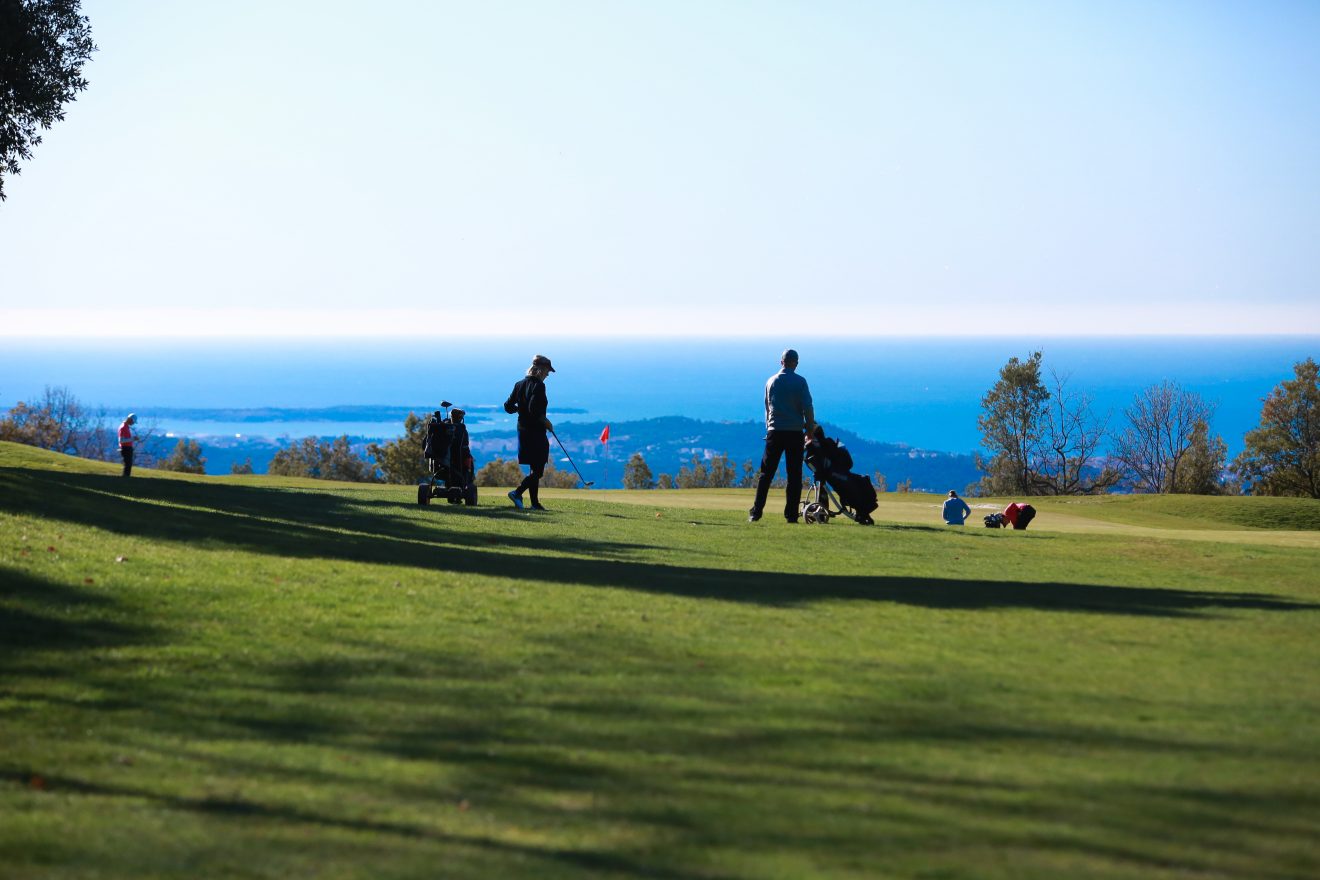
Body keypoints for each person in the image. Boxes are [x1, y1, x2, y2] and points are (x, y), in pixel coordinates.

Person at [749, 349, 816, 523]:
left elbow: (767, 408)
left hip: (775, 432)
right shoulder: (800, 382)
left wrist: (769, 428)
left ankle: (756, 513)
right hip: (795, 433)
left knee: (766, 474)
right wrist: (810, 430)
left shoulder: (771, 381)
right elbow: (808, 407)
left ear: (781, 362)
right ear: (796, 363)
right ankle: (791, 516)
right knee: (794, 475)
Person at [503, 355, 555, 511]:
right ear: (540, 370)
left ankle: (534, 504)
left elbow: (508, 406)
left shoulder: (519, 384)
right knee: (538, 470)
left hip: (523, 430)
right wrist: (546, 422)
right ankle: (517, 492)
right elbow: (534, 409)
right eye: (547, 371)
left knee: (534, 467)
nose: (548, 375)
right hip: (535, 431)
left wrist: (520, 409)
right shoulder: (539, 385)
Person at [118, 413, 137, 477]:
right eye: (133, 422)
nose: (133, 423)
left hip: (128, 448)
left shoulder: (126, 427)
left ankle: (126, 477)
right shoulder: (123, 427)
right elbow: (121, 440)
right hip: (125, 448)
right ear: (130, 419)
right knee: (127, 464)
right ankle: (125, 477)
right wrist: (133, 439)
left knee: (129, 464)